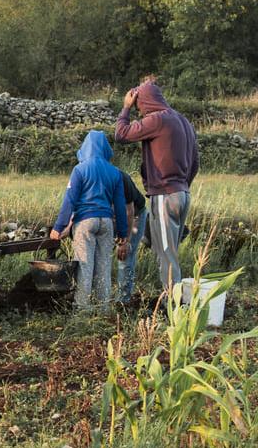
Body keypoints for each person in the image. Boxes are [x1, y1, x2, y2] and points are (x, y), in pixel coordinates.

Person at [114, 76, 199, 293]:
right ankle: (153, 235)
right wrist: (181, 185)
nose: (140, 112)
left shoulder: (157, 120)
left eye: (139, 106)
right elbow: (195, 163)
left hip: (164, 194)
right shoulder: (183, 121)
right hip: (183, 193)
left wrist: (125, 108)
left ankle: (174, 307)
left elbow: (121, 135)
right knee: (162, 245)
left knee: (166, 256)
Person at [48, 131, 128, 311]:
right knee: (104, 268)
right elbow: (120, 205)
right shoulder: (115, 172)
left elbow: (70, 200)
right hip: (106, 222)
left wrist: (58, 227)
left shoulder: (80, 169)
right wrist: (123, 233)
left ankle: (82, 311)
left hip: (85, 222)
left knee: (85, 267)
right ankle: (103, 309)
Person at [115, 168, 148, 303]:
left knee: (124, 256)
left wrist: (125, 241)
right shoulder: (90, 175)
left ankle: (123, 301)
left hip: (135, 216)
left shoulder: (122, 178)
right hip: (112, 216)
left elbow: (130, 212)